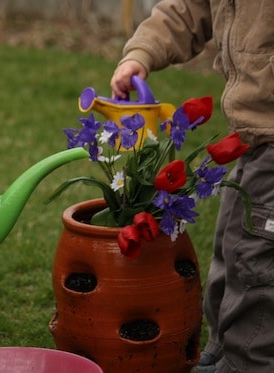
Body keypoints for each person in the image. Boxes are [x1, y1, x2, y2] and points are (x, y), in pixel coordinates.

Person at [110, 1, 274, 372]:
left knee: (257, 260)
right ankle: (221, 347)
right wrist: (140, 54)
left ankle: (250, 361)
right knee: (231, 244)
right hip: (254, 135)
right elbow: (185, 9)